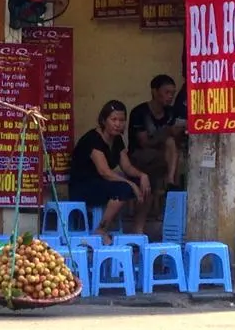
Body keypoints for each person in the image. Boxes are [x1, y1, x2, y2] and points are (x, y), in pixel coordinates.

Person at [69, 101, 151, 243]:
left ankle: (138, 230)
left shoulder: (117, 139)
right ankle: (101, 229)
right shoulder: (93, 139)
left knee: (147, 187)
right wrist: (131, 184)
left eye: (121, 120)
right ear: (103, 120)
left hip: (102, 184)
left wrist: (142, 176)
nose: (118, 124)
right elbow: (104, 172)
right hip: (83, 186)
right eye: (113, 120)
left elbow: (127, 167)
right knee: (123, 190)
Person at [128, 75, 184, 192]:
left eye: (173, 93)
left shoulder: (170, 112)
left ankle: (171, 187)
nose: (170, 97)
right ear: (154, 91)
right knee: (171, 149)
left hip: (164, 153)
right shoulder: (140, 112)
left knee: (176, 151)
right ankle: (171, 185)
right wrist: (166, 132)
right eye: (167, 92)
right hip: (139, 154)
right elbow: (144, 142)